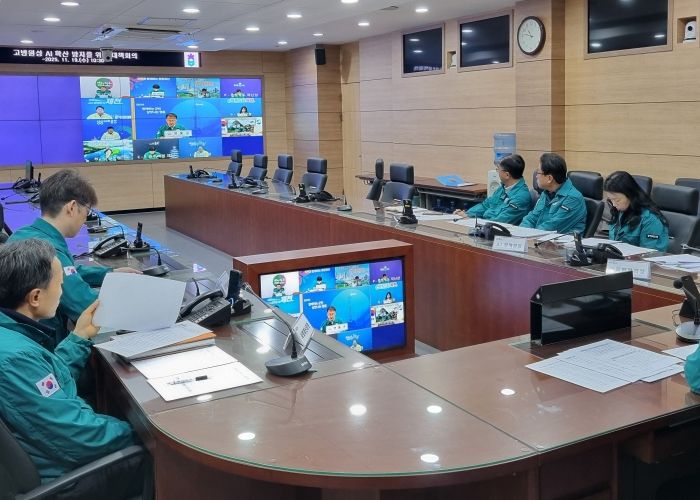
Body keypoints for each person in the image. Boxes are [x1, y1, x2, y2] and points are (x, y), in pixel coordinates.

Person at [0, 239, 146, 495]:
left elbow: (46, 383)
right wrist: (143, 433)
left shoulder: (12, 338)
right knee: (161, 460)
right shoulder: (14, 359)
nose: (62, 292)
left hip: (46, 454)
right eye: (60, 285)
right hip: (62, 478)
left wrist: (79, 337)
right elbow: (78, 436)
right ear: (35, 297)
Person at [8, 170, 140, 345]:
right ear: (72, 207)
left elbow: (67, 272)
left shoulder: (24, 234)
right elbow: (84, 305)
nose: (85, 219)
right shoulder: (50, 249)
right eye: (87, 211)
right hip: (45, 345)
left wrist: (109, 274)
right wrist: (141, 306)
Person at [454, 154, 532, 224]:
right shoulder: (503, 188)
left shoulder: (521, 197)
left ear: (507, 175)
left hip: (499, 232)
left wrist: (472, 221)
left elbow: (499, 222)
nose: (497, 172)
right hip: (485, 225)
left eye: (498, 169)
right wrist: (467, 214)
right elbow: (486, 205)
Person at [520, 153, 587, 234]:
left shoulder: (573, 198)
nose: (536, 176)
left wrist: (529, 234)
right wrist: (521, 232)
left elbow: (553, 226)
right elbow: (532, 217)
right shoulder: (547, 192)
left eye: (538, 172)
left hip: (560, 241)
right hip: (539, 238)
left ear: (549, 178)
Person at [604, 171, 669, 251]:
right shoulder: (620, 211)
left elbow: (651, 254)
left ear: (630, 195)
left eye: (617, 200)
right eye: (610, 200)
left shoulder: (651, 220)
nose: (614, 204)